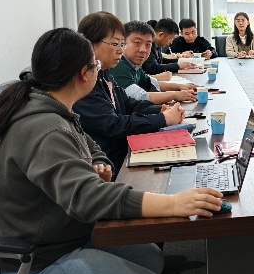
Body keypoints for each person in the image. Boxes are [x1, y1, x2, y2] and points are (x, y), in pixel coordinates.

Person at [0, 27, 223, 274]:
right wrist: (172, 204)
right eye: (95, 63)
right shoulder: (45, 128)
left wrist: (99, 161)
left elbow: (88, 142)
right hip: (27, 264)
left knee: (149, 257)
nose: (101, 68)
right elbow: (88, 199)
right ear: (83, 73)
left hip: (54, 237)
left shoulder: (52, 107)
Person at [73, 11, 185, 176]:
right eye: (115, 44)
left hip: (120, 155)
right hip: (106, 166)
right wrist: (162, 119)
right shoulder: (83, 82)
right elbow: (112, 124)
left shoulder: (104, 73)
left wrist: (159, 110)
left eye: (122, 44)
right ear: (89, 44)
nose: (120, 50)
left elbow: (128, 103)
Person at [110, 21, 197, 103]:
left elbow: (151, 83)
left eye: (148, 45)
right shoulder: (118, 65)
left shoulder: (134, 65)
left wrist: (180, 87)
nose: (143, 50)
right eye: (137, 43)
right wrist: (175, 95)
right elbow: (139, 96)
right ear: (122, 43)